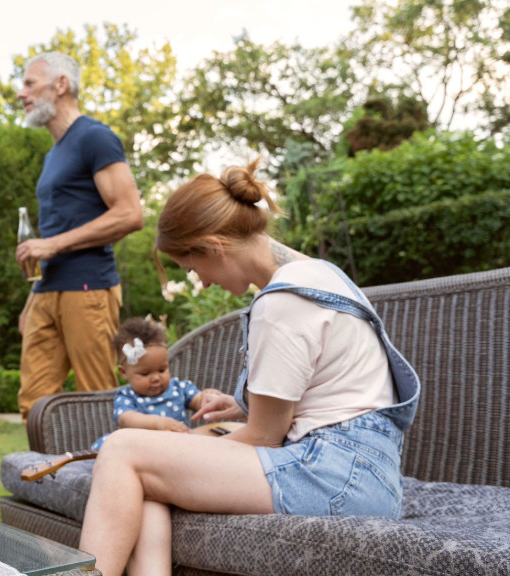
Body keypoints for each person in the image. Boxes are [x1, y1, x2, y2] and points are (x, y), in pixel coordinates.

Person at [76, 159, 421, 576]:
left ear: (214, 247)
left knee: (122, 449)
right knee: (147, 476)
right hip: (365, 471)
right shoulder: (321, 275)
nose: (200, 281)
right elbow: (332, 386)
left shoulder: (282, 302)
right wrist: (241, 406)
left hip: (337, 475)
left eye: (192, 267)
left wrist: (187, 445)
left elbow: (265, 437)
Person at [14, 52, 144, 421]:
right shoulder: (54, 153)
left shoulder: (95, 137)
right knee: (34, 404)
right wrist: (31, 300)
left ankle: (109, 476)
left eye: (29, 83)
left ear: (61, 85)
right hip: (45, 291)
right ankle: (45, 479)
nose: (21, 93)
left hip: (88, 288)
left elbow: (130, 214)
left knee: (97, 398)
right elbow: (55, 229)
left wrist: (50, 245)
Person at [89, 316, 209, 451]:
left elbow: (198, 400)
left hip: (179, 447)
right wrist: (156, 423)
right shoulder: (127, 397)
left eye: (162, 370)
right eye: (145, 374)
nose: (156, 378)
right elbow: (126, 418)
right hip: (143, 451)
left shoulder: (178, 388)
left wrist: (206, 397)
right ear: (123, 372)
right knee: (112, 446)